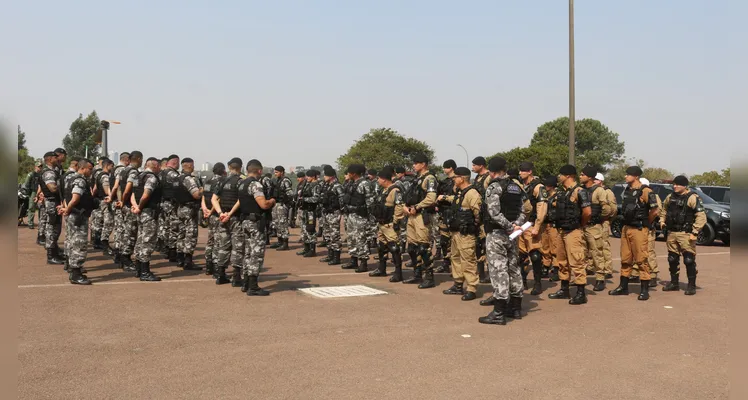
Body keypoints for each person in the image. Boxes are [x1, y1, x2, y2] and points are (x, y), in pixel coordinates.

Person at [478, 157, 526, 325]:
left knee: (499, 270)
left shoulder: (494, 186)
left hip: (498, 234)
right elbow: (523, 210)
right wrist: (516, 225)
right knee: (513, 268)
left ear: (492, 171)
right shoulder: (516, 187)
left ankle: (499, 312)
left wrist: (508, 226)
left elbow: (494, 213)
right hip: (513, 235)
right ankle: (516, 308)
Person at [609, 166, 659, 301]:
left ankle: (644, 290)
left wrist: (645, 222)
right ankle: (623, 287)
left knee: (641, 259)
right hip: (627, 228)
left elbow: (655, 211)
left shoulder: (646, 191)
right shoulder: (627, 190)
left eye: (628, 175)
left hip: (639, 229)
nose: (626, 177)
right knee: (625, 259)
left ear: (636, 176)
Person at [548, 165, 592, 305]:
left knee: (576, 262)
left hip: (573, 231)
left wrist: (580, 224)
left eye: (561, 174)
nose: (559, 177)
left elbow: (587, 212)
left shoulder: (580, 192)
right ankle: (564, 289)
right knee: (562, 261)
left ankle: (581, 293)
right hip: (561, 230)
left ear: (568, 176)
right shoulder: (563, 192)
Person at [440, 167, 482, 301]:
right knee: (455, 258)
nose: (453, 179)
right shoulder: (460, 192)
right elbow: (456, 201)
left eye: (455, 177)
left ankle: (471, 288)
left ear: (462, 178)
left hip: (466, 233)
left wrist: (476, 230)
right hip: (456, 232)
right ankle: (458, 285)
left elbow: (478, 213)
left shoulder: (472, 193)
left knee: (468, 261)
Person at [660, 175, 707, 295]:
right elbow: (664, 209)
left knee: (689, 259)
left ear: (685, 186)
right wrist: (662, 220)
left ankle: (691, 285)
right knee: (672, 258)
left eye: (678, 184)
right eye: (674, 184)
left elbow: (701, 216)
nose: (675, 186)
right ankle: (674, 283)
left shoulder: (692, 198)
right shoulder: (670, 197)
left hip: (685, 234)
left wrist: (695, 232)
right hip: (671, 233)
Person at [237, 159, 276, 296]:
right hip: (255, 223)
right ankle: (253, 286)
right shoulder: (255, 185)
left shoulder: (241, 184)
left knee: (247, 253)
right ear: (259, 170)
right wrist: (272, 201)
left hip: (245, 221)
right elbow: (263, 205)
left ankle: (246, 283)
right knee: (256, 254)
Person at [402, 155, 438, 288]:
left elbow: (431, 198)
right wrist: (406, 206)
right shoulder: (417, 178)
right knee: (412, 247)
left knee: (423, 247)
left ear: (423, 164)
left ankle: (429, 277)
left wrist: (417, 207)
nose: (414, 165)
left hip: (422, 215)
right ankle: (417, 274)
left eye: (416, 163)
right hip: (411, 215)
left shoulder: (430, 179)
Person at [580, 166, 615, 292]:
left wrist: (598, 218)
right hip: (582, 226)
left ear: (590, 177)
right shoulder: (581, 190)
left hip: (594, 227)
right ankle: (580, 278)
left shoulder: (599, 191)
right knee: (581, 254)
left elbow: (607, 209)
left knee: (597, 253)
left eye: (582, 174)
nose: (580, 176)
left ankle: (600, 278)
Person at [60, 158, 95, 285]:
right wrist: (68, 210)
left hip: (73, 215)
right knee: (79, 244)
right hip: (78, 216)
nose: (91, 171)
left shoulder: (70, 178)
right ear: (82, 168)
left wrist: (66, 209)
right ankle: (76, 274)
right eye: (90, 169)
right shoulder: (80, 180)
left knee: (71, 241)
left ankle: (72, 267)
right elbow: (74, 198)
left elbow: (65, 196)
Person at [212, 158, 245, 285]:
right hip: (235, 218)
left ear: (229, 167)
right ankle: (236, 277)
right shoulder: (241, 181)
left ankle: (221, 275)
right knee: (238, 246)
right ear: (240, 167)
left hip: (223, 217)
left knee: (223, 245)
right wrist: (230, 213)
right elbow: (240, 200)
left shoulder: (221, 181)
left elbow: (214, 199)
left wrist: (221, 213)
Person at [517, 161, 548, 295]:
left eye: (523, 170)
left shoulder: (538, 186)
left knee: (535, 255)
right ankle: (522, 281)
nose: (520, 173)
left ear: (529, 171)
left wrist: (537, 226)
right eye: (520, 170)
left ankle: (537, 283)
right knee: (520, 255)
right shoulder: (521, 186)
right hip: (520, 224)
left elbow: (542, 207)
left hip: (531, 224)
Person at [369, 167, 405, 280]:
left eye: (379, 178)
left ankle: (398, 272)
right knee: (381, 247)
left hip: (390, 224)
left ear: (384, 179)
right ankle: (382, 268)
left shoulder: (395, 190)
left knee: (394, 248)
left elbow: (399, 207)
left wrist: (396, 221)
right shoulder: (383, 190)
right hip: (381, 224)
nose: (378, 180)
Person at [131, 157, 163, 281]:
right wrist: (139, 207)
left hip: (140, 212)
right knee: (148, 241)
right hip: (148, 212)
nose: (159, 168)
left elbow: (133, 194)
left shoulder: (138, 177)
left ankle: (139, 269)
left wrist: (135, 206)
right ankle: (145, 272)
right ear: (155, 166)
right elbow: (145, 194)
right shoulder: (151, 178)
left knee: (140, 239)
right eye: (159, 166)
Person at [341, 164, 375, 272]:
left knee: (361, 238)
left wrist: (371, 218)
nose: (348, 174)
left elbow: (370, 202)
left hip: (360, 216)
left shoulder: (364, 184)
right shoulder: (351, 183)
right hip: (351, 214)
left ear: (354, 173)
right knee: (351, 238)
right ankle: (353, 260)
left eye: (349, 172)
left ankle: (363, 262)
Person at [631, 177, 662, 287]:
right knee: (636, 250)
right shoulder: (634, 194)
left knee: (648, 251)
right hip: (637, 227)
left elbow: (656, 211)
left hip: (648, 228)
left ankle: (653, 275)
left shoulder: (652, 195)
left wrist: (647, 222)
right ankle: (635, 273)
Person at [117, 151, 143, 272]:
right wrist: (123, 201)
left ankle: (123, 258)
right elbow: (128, 189)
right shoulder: (133, 171)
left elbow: (117, 187)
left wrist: (120, 200)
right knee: (130, 234)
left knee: (125, 232)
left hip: (125, 205)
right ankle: (126, 259)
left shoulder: (123, 170)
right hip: (129, 205)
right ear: (138, 159)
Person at [175, 158, 202, 270]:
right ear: (189, 166)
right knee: (190, 234)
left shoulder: (177, 179)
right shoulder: (188, 179)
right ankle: (188, 261)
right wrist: (202, 190)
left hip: (180, 208)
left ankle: (180, 258)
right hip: (189, 210)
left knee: (181, 233)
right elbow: (196, 195)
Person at [201, 162, 227, 277]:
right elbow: (217, 199)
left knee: (210, 240)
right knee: (218, 241)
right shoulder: (221, 181)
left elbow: (203, 196)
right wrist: (211, 211)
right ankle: (216, 267)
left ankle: (208, 266)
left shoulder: (207, 180)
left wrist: (205, 210)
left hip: (209, 214)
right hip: (216, 214)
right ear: (223, 170)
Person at [40, 151, 64, 264]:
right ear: (50, 159)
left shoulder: (53, 171)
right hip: (51, 203)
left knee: (56, 228)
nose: (57, 158)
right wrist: (64, 187)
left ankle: (55, 252)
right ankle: (51, 256)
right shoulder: (49, 173)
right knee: (52, 228)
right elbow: (52, 188)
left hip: (55, 202)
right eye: (55, 157)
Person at [319, 166, 345, 265]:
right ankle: (330, 255)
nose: (324, 177)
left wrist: (341, 211)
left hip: (334, 212)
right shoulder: (327, 185)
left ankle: (336, 257)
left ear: (331, 176)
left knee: (334, 235)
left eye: (326, 175)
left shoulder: (337, 186)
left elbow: (342, 199)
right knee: (327, 234)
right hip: (327, 212)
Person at [471, 156, 491, 283]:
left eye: (474, 165)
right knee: (478, 245)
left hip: (487, 215)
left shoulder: (489, 177)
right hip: (478, 216)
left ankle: (490, 272)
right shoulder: (477, 178)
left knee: (487, 245)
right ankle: (481, 272)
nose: (472, 167)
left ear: (481, 165)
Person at [435, 160, 456, 273]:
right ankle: (445, 262)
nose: (444, 170)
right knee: (444, 241)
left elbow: (459, 197)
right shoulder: (444, 182)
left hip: (454, 215)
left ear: (451, 168)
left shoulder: (458, 181)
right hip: (444, 214)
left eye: (446, 167)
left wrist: (444, 198)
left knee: (455, 241)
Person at [109, 152, 131, 264]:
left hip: (116, 201)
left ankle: (118, 253)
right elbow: (117, 187)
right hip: (120, 202)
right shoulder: (122, 170)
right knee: (121, 229)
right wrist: (120, 200)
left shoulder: (114, 169)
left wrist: (110, 197)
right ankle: (119, 254)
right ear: (127, 160)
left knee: (119, 228)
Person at [158, 154, 181, 261]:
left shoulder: (160, 173)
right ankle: (172, 252)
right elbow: (181, 188)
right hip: (172, 204)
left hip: (162, 203)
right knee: (174, 228)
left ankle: (166, 248)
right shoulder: (173, 175)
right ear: (175, 162)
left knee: (165, 227)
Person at [594, 173, 616, 281]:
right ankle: (591, 266)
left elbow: (613, 208)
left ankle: (607, 269)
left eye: (596, 180)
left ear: (601, 181)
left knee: (604, 245)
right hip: (594, 222)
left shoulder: (607, 192)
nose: (594, 181)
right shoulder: (592, 190)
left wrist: (606, 219)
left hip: (603, 221)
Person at [541, 176, 562, 282]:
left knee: (555, 248)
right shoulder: (546, 197)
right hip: (545, 225)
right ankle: (545, 266)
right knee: (545, 247)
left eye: (547, 185)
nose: (545, 187)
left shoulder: (557, 197)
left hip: (553, 225)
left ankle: (556, 269)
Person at [298, 170, 322, 257]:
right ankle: (306, 248)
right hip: (305, 210)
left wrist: (304, 199)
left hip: (311, 211)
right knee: (305, 230)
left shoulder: (316, 186)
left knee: (310, 229)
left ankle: (312, 250)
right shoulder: (307, 184)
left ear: (313, 177)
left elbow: (316, 199)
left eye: (308, 176)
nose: (307, 178)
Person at [94, 158, 115, 255]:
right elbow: (107, 190)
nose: (112, 168)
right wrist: (111, 196)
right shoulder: (105, 176)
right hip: (106, 201)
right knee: (108, 223)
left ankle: (99, 242)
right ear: (107, 165)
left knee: (101, 222)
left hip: (101, 200)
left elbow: (94, 189)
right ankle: (105, 244)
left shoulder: (98, 175)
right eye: (112, 166)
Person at [270, 166, 294, 250]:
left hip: (282, 204)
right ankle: (279, 241)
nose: (275, 173)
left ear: (282, 172)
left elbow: (290, 193)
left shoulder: (285, 180)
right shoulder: (278, 180)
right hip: (276, 204)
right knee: (277, 223)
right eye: (275, 172)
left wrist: (286, 202)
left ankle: (285, 243)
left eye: (277, 172)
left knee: (283, 223)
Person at [23, 162, 42, 230]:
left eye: (41, 166)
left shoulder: (41, 175)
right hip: (33, 192)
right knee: (32, 208)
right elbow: (26, 184)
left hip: (40, 192)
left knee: (41, 208)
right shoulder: (31, 174)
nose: (40, 168)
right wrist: (29, 193)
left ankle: (41, 223)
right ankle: (30, 223)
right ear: (35, 167)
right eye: (39, 166)